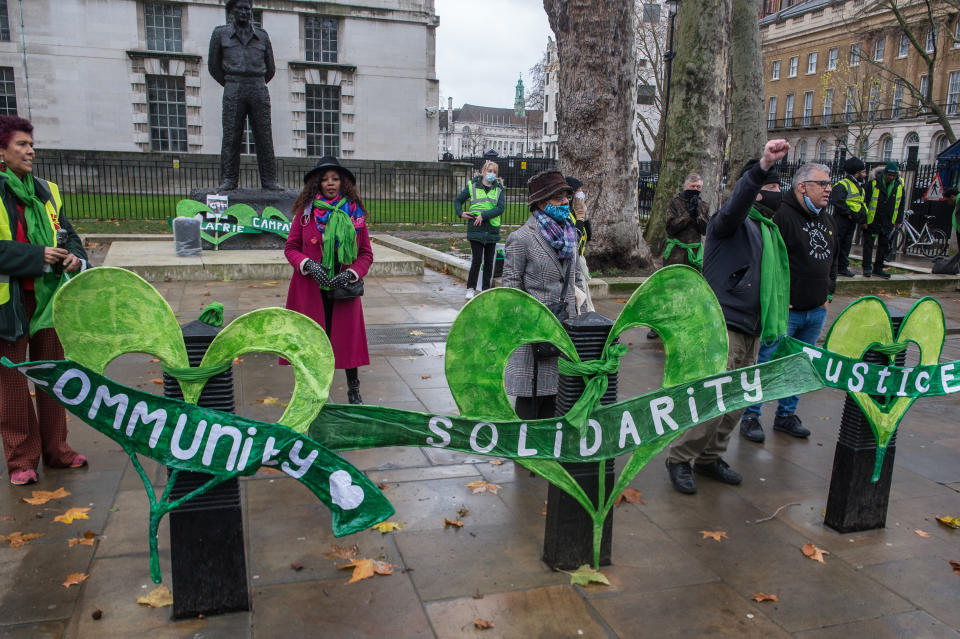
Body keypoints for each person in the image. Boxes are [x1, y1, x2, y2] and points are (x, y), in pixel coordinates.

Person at [665, 139, 791, 495]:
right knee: (712, 399)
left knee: (735, 403)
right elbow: (739, 201)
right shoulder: (729, 221)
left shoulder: (770, 231)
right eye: (770, 187)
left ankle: (709, 458)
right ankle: (679, 458)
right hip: (726, 324)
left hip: (754, 325)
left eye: (779, 186)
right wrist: (761, 168)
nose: (776, 192)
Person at [0, 115, 88, 486]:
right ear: (2, 151)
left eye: (31, 144)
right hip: (12, 303)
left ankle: (58, 449)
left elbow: (68, 235)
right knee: (13, 383)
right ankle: (22, 459)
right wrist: (37, 256)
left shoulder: (45, 190)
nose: (30, 150)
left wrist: (75, 258)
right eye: (21, 144)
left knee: (52, 377)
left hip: (51, 300)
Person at [739, 162, 838, 443]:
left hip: (815, 310)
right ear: (802, 186)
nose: (828, 189)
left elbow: (834, 261)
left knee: (798, 365)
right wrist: (779, 300)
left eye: (829, 184)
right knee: (766, 362)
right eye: (822, 184)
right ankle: (750, 415)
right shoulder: (781, 216)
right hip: (786, 312)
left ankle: (786, 415)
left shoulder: (827, 220)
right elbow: (765, 260)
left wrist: (828, 294)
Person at [284, 156, 372, 404]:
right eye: (324, 179)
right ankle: (313, 390)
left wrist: (351, 273)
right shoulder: (306, 213)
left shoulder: (355, 214)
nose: (330, 183)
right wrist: (308, 264)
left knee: (347, 341)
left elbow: (366, 253)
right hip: (310, 289)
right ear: (317, 184)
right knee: (313, 341)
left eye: (335, 179)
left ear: (343, 182)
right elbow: (291, 248)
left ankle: (353, 390)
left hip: (343, 289)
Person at [503, 170, 586, 420]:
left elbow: (576, 278)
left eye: (565, 197)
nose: (564, 203)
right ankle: (527, 453)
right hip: (536, 333)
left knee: (558, 397)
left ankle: (550, 451)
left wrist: (581, 312)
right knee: (532, 399)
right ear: (541, 203)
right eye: (558, 198)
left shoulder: (570, 234)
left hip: (566, 328)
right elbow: (510, 287)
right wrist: (527, 322)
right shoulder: (521, 239)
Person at [208, 0, 282, 191]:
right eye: (240, 9)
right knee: (231, 136)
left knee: (264, 136)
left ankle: (269, 180)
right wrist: (232, 82)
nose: (244, 12)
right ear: (232, 11)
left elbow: (271, 69)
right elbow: (213, 67)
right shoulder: (220, 34)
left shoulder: (263, 36)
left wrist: (255, 81)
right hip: (233, 86)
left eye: (247, 9)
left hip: (258, 85)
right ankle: (229, 179)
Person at [650, 172, 711, 339]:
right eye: (692, 186)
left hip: (694, 253)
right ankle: (659, 325)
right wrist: (686, 216)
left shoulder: (703, 205)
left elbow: (706, 230)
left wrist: (698, 215)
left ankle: (686, 322)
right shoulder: (674, 203)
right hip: (675, 253)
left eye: (698, 187)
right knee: (669, 287)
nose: (695, 189)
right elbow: (670, 228)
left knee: (691, 287)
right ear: (685, 186)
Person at [454, 160, 505, 299]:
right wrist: (460, 213)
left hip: (492, 229)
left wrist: (484, 215)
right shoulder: (473, 185)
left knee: (489, 261)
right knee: (477, 260)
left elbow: (500, 208)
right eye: (489, 171)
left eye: (494, 172)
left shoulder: (499, 189)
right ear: (483, 171)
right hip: (476, 228)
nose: (491, 174)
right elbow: (458, 200)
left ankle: (485, 290)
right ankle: (471, 288)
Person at [862, 162, 905, 279]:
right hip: (873, 219)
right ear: (885, 174)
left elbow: (901, 204)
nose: (891, 178)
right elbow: (865, 201)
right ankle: (866, 267)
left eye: (894, 176)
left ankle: (878, 268)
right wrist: (863, 220)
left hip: (888, 220)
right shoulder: (873, 183)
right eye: (889, 175)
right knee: (868, 244)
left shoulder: (899, 185)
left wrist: (898, 219)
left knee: (883, 245)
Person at [829, 157, 867, 278]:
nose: (865, 174)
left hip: (852, 220)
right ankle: (833, 267)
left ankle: (842, 267)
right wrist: (849, 213)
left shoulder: (858, 186)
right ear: (856, 173)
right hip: (842, 220)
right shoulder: (843, 184)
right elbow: (836, 201)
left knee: (846, 244)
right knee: (837, 244)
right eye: (863, 172)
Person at [566, 175, 595, 312]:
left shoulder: (576, 212)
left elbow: (587, 237)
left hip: (580, 261)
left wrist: (584, 217)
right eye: (579, 191)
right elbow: (574, 240)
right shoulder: (567, 215)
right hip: (572, 262)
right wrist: (579, 218)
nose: (581, 194)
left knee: (586, 299)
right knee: (580, 300)